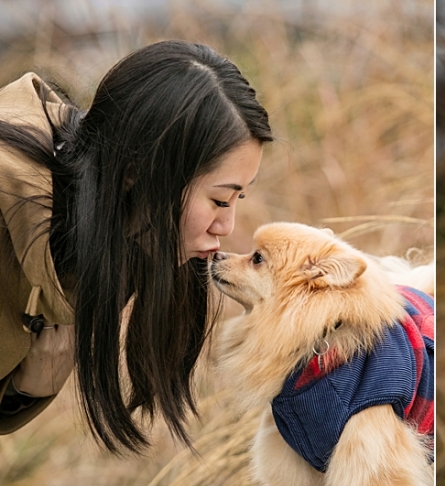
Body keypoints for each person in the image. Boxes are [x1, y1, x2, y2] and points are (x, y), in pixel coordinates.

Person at [0, 40, 273, 453]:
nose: (227, 227)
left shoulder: (118, 225)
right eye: (219, 199)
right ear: (136, 173)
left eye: (239, 199)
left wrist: (23, 390)